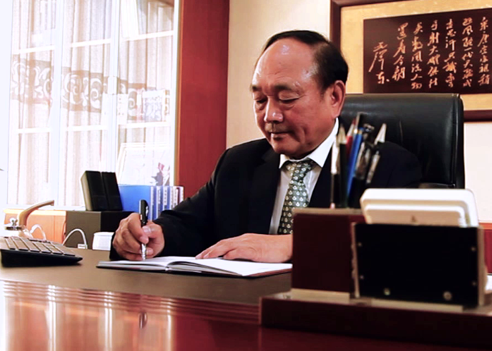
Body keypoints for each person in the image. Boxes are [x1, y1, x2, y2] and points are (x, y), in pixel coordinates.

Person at [111, 30, 422, 263]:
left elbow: (400, 249)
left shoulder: (384, 166)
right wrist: (154, 235)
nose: (270, 115)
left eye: (287, 98)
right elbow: (189, 224)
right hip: (242, 316)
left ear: (334, 97)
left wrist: (293, 244)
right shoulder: (238, 162)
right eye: (260, 100)